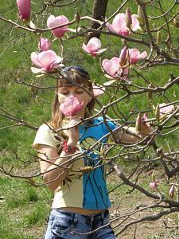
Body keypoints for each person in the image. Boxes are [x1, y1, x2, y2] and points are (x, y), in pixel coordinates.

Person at [33, 65, 152, 239]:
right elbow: (50, 182)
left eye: (78, 91)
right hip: (67, 222)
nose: (71, 97)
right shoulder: (49, 130)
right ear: (58, 96)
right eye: (65, 92)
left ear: (90, 94)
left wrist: (145, 131)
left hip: (100, 220)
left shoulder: (101, 125)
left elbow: (141, 139)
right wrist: (71, 143)